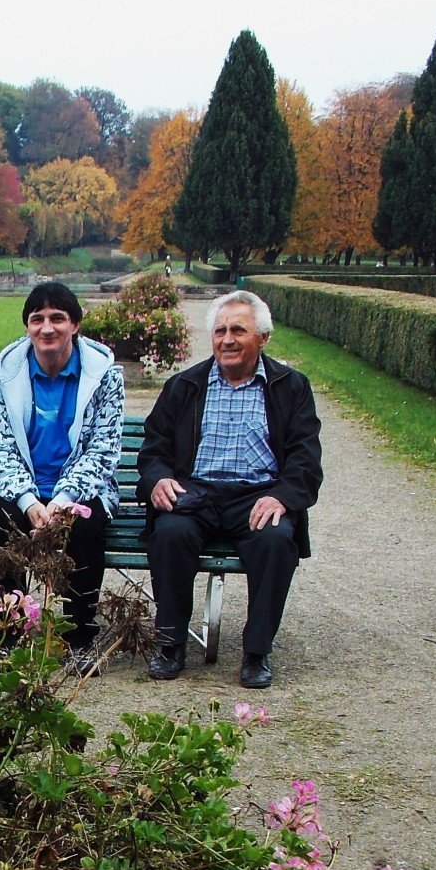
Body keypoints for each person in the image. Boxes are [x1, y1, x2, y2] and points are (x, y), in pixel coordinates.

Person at [138, 289, 322, 690]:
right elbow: (154, 448)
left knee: (276, 539)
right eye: (220, 330)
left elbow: (305, 459)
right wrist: (159, 479)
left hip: (257, 496)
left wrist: (281, 497)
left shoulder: (290, 387)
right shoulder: (185, 385)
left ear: (263, 338)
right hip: (196, 493)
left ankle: (256, 653)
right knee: (169, 532)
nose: (227, 339)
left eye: (239, 329)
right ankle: (170, 645)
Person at [0, 280, 124, 671]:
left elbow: (103, 450)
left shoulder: (105, 375)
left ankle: (78, 638)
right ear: (27, 327)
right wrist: (29, 502)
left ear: (76, 325)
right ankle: (8, 635)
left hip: (80, 487)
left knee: (84, 528)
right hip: (19, 487)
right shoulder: (3, 373)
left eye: (58, 318)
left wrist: (63, 500)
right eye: (37, 319)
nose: (47, 328)